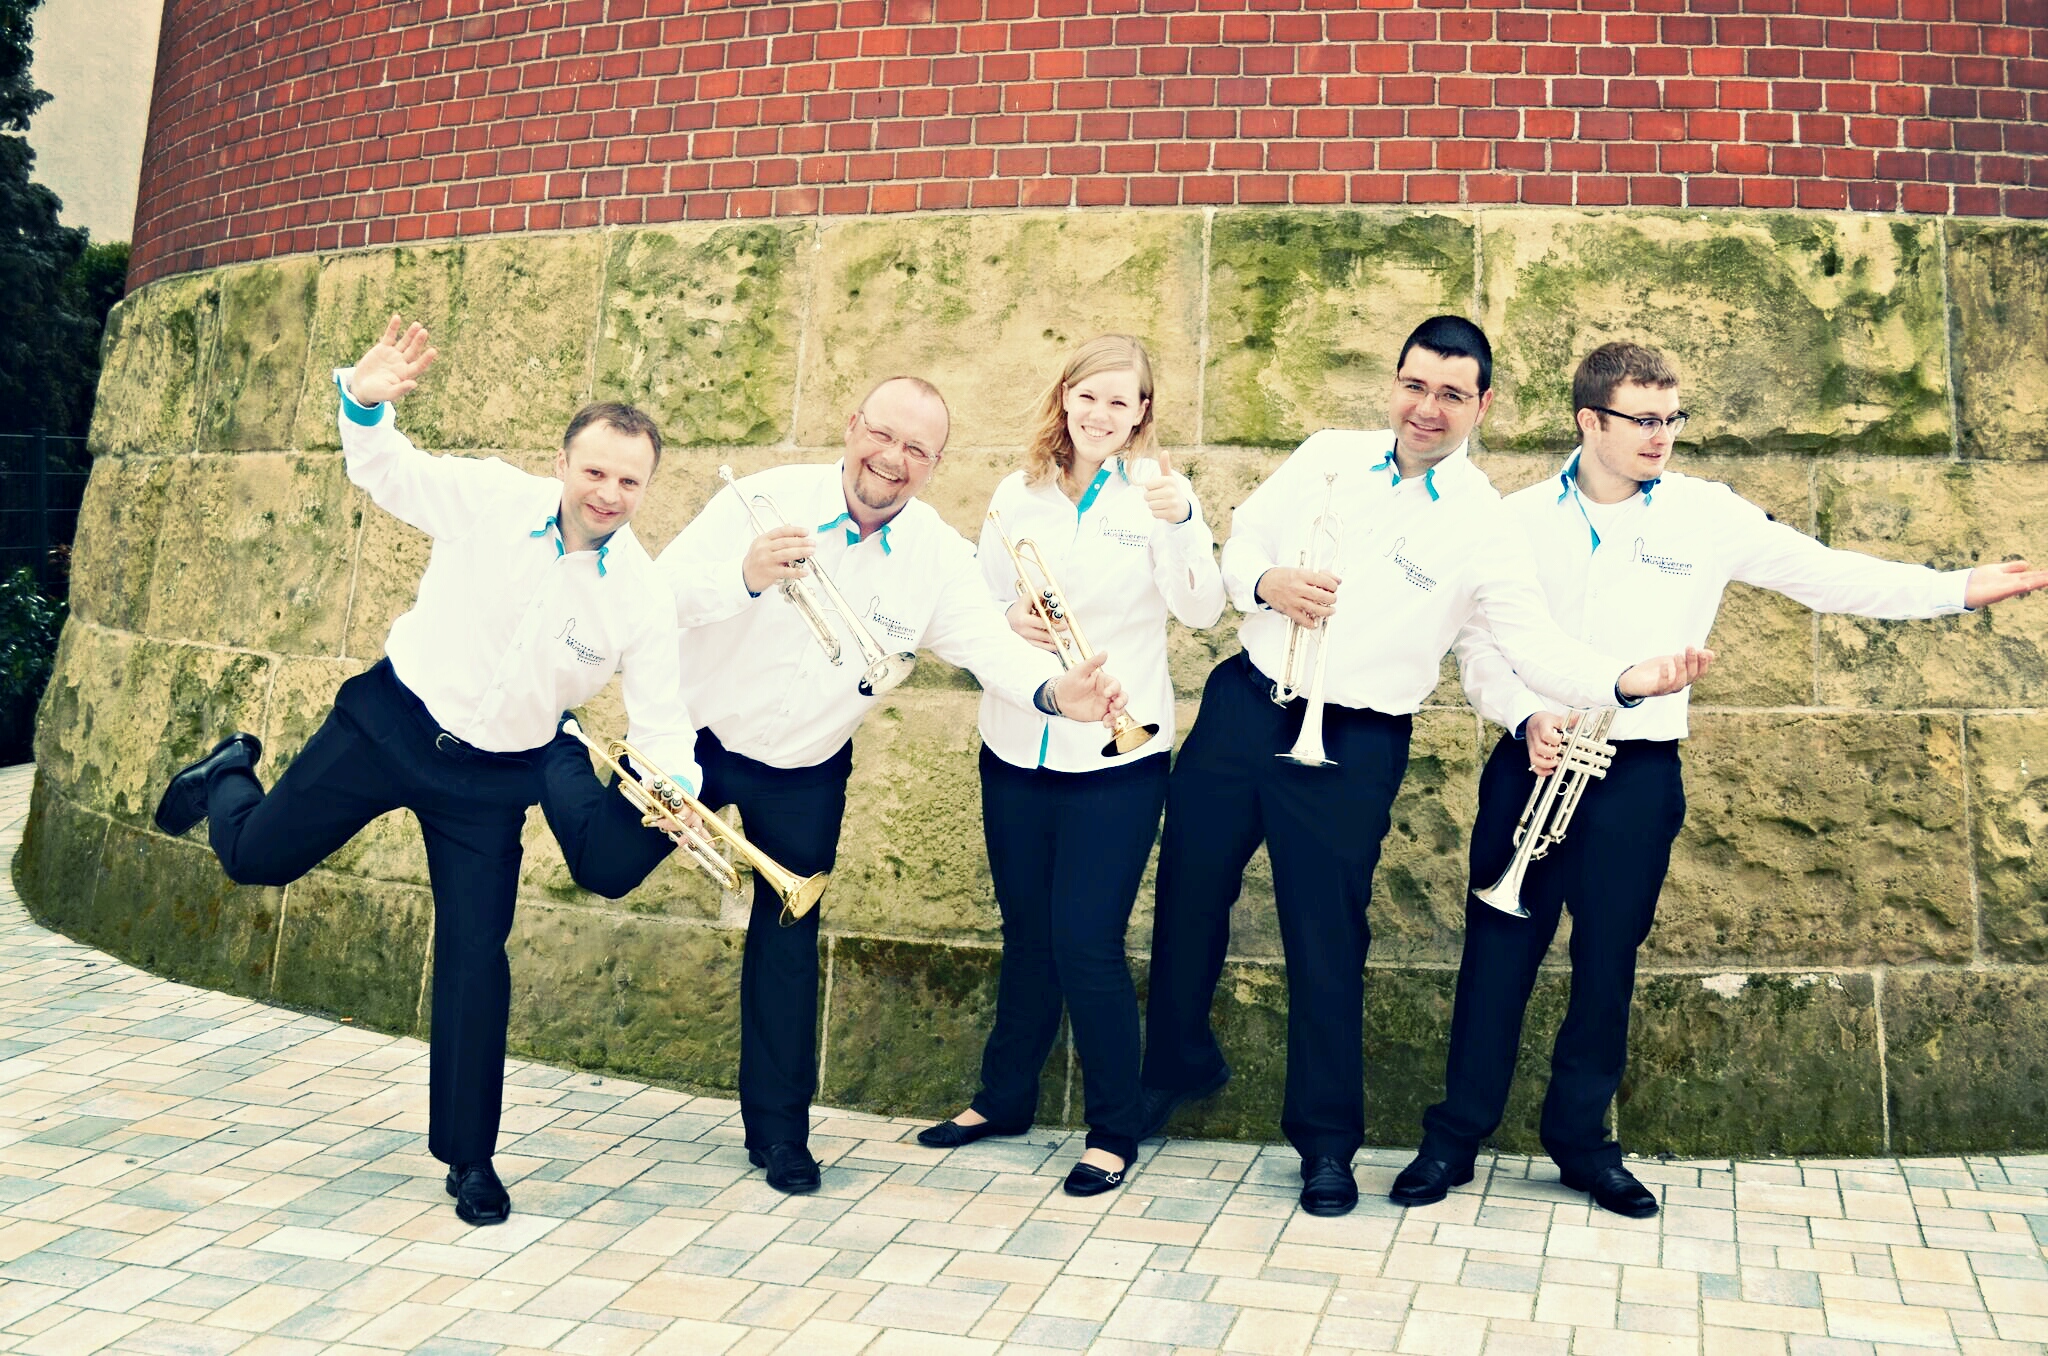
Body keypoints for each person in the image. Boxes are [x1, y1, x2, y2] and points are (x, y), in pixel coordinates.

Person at [1392, 340, 2048, 1218]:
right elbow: (1480, 647)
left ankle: (1582, 1145)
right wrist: (1523, 717)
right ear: (1590, 421)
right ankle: (1452, 1140)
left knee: (1606, 964)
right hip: (1534, 759)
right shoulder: (1514, 520)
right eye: (1644, 419)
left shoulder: (1706, 514)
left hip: (1637, 773)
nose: (1662, 435)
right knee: (1497, 954)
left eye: (1672, 418)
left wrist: (1955, 588)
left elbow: (1827, 575)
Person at [1135, 316, 1717, 1219]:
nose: (1427, 408)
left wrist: (1622, 681)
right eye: (1415, 386)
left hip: (1353, 742)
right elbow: (1244, 541)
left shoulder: (1486, 521)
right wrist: (1267, 584)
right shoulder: (1328, 454)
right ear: (1394, 384)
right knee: (1186, 895)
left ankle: (1326, 1145)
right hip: (1244, 707)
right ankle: (1174, 1064)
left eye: (1452, 394)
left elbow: (1528, 643)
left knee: (1326, 940)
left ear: (1483, 406)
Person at [151, 315, 700, 1227]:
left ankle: (470, 1159)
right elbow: (387, 470)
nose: (609, 493)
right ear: (564, 464)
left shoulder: (641, 597)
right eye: (596, 472)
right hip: (389, 724)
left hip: (491, 784)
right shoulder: (491, 497)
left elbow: (663, 721)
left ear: (647, 487)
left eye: (629, 481)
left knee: (476, 963)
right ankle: (228, 773)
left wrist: (674, 792)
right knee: (254, 859)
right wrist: (365, 404)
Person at [538, 375, 1131, 1196]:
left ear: (934, 465)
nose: (893, 458)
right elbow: (654, 600)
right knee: (605, 868)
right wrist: (744, 576)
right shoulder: (762, 499)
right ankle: (555, 746)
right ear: (852, 427)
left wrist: (1055, 693)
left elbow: (990, 650)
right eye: (881, 435)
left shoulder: (937, 556)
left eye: (917, 449)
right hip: (697, 734)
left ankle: (781, 1137)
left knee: (787, 940)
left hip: (806, 764)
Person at [915, 336, 1224, 1196]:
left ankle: (1115, 1128)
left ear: (1142, 413)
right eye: (1087, 396)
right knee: (1027, 938)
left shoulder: (1159, 495)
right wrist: (1007, 619)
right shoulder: (1017, 493)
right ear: (1065, 397)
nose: (1100, 414)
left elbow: (1202, 609)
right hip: (1017, 742)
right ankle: (1004, 1099)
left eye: (1120, 401)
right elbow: (978, 605)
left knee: (1086, 943)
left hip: (1118, 758)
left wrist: (1183, 523)